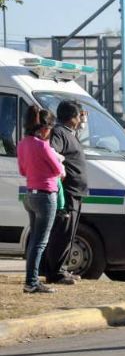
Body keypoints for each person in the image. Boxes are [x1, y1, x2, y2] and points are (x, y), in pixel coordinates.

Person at [17, 106, 65, 293]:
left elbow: (22, 171)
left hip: (30, 195)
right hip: (46, 196)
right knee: (40, 242)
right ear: (45, 128)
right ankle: (31, 282)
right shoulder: (43, 146)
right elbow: (58, 170)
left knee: (34, 241)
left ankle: (31, 280)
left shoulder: (22, 144)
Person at [41, 100, 87, 285]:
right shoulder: (59, 132)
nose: (80, 119)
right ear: (71, 118)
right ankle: (56, 273)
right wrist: (61, 172)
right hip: (67, 191)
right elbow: (53, 153)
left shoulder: (70, 133)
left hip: (76, 192)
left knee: (68, 233)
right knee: (62, 233)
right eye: (78, 116)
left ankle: (62, 269)